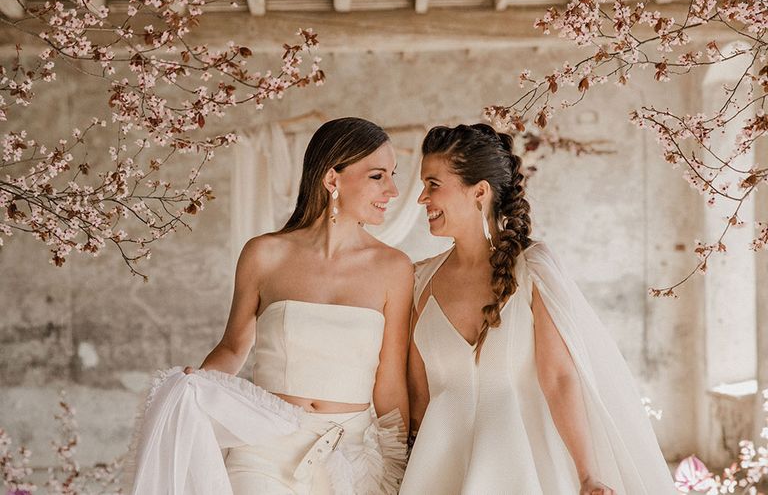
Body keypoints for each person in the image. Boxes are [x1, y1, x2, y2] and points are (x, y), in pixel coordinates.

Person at [127, 117, 412, 495]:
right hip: (264, 445)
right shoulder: (264, 254)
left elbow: (390, 380)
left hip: (350, 452)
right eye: (378, 176)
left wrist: (399, 463)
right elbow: (233, 347)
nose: (393, 190)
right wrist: (198, 386)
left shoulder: (394, 267)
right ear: (332, 180)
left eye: (393, 174)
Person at [401, 123, 676, 495]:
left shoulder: (532, 269)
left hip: (527, 468)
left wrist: (586, 475)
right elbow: (417, 397)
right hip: (437, 472)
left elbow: (560, 378)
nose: (421, 198)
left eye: (433, 184)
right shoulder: (420, 281)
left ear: (479, 191)